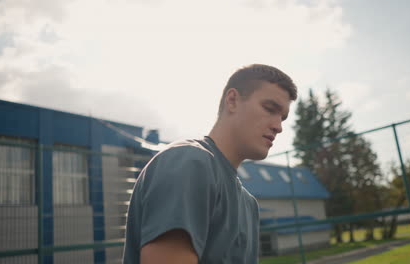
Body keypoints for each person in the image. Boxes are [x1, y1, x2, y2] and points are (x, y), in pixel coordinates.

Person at [122, 64, 297, 264]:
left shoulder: (249, 205)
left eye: (282, 118)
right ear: (232, 101)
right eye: (270, 109)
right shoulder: (189, 162)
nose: (278, 126)